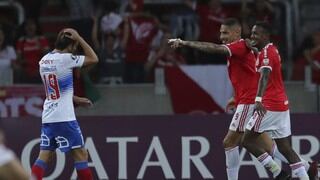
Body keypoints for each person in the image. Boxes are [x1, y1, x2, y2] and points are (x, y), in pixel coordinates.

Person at [169, 18, 292, 180]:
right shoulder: (243, 47)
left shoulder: (240, 46)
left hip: (249, 103)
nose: (222, 36)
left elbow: (214, 48)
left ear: (236, 33)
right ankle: (307, 168)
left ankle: (278, 172)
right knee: (269, 147)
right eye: (221, 32)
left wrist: (185, 43)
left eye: (225, 33)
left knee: (230, 143)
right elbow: (248, 75)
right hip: (248, 100)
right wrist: (235, 97)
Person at [241, 22, 310, 180]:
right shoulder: (271, 50)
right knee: (286, 148)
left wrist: (258, 99)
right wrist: (254, 49)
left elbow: (265, 75)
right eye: (252, 33)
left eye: (256, 34)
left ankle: (278, 172)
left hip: (268, 106)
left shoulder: (266, 53)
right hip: (282, 105)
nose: (252, 36)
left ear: (265, 36)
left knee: (247, 141)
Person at [31, 28, 98, 180]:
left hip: (48, 117)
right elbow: (94, 58)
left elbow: (54, 90)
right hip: (65, 118)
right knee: (81, 155)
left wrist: (75, 99)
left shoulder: (43, 61)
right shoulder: (67, 58)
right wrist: (79, 37)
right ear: (72, 46)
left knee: (44, 157)